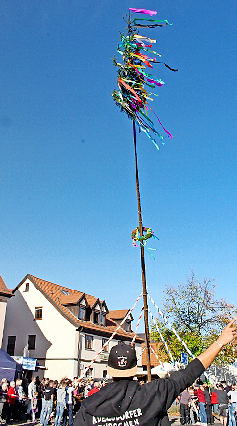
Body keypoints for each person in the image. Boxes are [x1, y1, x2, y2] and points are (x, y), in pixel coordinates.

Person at [74, 318, 237, 426]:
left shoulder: (89, 406)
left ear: (109, 370)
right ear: (134, 369)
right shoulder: (154, 393)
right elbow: (190, 372)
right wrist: (219, 342)